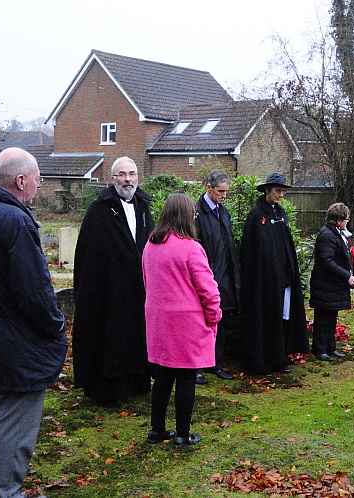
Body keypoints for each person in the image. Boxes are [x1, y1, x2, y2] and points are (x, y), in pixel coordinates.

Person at [0, 148, 67, 498]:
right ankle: (5, 491)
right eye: (37, 178)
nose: (39, 185)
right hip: (17, 338)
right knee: (16, 422)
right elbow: (33, 290)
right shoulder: (14, 220)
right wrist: (56, 326)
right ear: (20, 180)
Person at [72, 156, 154, 406]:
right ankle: (109, 388)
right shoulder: (99, 209)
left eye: (132, 174)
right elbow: (90, 253)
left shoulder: (142, 205)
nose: (128, 179)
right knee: (111, 337)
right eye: (122, 175)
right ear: (113, 179)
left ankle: (136, 381)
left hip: (138, 288)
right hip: (108, 289)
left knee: (136, 335)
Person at [142, 193, 222, 446]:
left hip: (158, 320)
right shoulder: (191, 248)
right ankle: (183, 434)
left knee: (163, 377)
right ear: (189, 216)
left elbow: (147, 282)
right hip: (186, 322)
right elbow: (208, 290)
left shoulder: (150, 244)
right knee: (186, 377)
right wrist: (214, 317)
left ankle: (157, 430)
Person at [239, 172, 310, 375]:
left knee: (282, 317)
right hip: (264, 281)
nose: (281, 195)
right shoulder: (256, 216)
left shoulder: (280, 214)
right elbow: (252, 251)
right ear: (267, 191)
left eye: (283, 192)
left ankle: (279, 358)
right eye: (278, 191)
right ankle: (260, 362)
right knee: (265, 318)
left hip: (283, 279)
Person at [194, 170, 239, 385]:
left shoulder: (224, 212)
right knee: (200, 323)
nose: (224, 196)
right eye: (220, 191)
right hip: (205, 276)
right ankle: (196, 367)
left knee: (218, 321)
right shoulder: (196, 213)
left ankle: (215, 362)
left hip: (224, 276)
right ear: (208, 188)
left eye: (226, 192)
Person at [309, 202, 354, 362]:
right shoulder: (327, 235)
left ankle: (330, 347)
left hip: (332, 285)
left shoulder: (336, 233)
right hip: (325, 284)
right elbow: (326, 260)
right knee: (323, 317)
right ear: (338, 220)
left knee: (331, 316)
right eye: (346, 219)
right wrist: (347, 276)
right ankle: (319, 349)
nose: (347, 222)